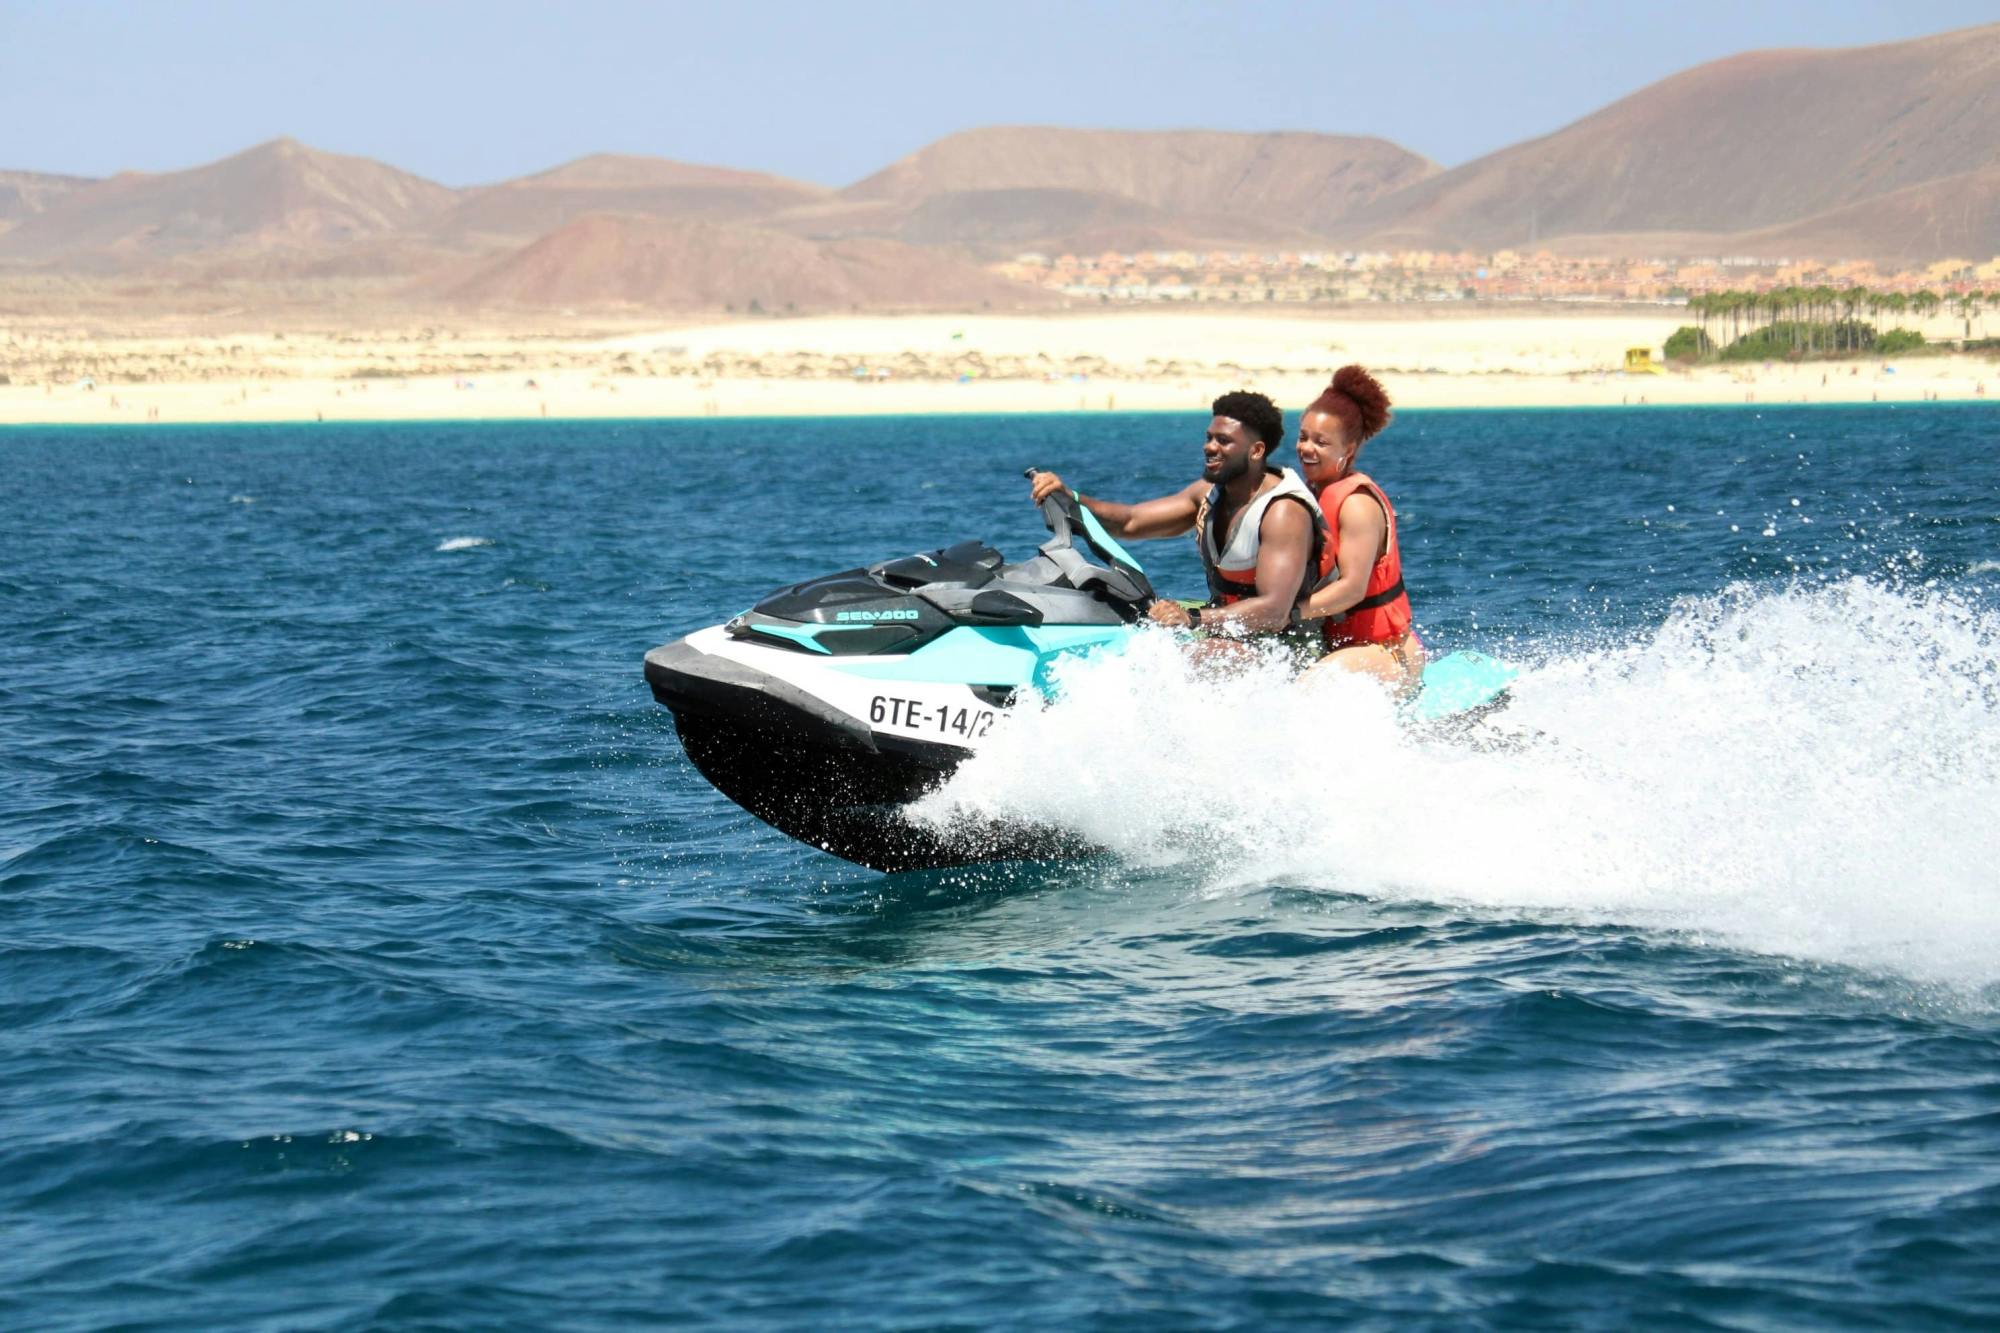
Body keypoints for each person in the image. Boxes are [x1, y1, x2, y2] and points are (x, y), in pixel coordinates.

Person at [1027, 391, 1322, 638]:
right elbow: (1131, 522)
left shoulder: (1283, 512)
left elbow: (1274, 611)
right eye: (1209, 438)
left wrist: (1191, 618)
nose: (1209, 447)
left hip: (1284, 645)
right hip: (1225, 629)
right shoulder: (1209, 493)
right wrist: (1070, 496)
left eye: (1223, 441)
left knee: (1198, 658)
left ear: (1256, 451)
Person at [1292, 367, 1422, 692]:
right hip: (1336, 647)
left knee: (1312, 686)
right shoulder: (1309, 495)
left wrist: (1288, 612)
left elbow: (1352, 590)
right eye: (1303, 437)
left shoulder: (1356, 505)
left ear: (1347, 449)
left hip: (1387, 653)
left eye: (1321, 442)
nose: (1307, 448)